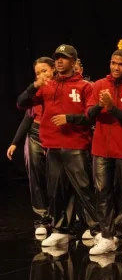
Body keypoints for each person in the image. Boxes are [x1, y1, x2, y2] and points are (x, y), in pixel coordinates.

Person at [17, 44, 99, 246]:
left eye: (64, 58)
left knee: (84, 190)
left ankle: (98, 230)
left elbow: (90, 116)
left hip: (76, 146)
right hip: (53, 146)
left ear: (73, 61)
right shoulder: (47, 86)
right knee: (56, 191)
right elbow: (21, 103)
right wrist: (34, 86)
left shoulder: (85, 87)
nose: (60, 61)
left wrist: (68, 118)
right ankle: (61, 229)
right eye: (57, 58)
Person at [86, 50, 122, 255]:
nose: (115, 67)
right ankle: (107, 236)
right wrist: (99, 106)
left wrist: (112, 108)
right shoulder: (99, 85)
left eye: (120, 64)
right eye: (113, 63)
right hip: (101, 149)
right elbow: (88, 114)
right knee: (102, 193)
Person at [7, 57, 56, 237]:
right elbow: (27, 113)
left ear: (53, 70)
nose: (42, 75)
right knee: (36, 176)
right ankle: (42, 217)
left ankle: (59, 218)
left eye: (45, 71)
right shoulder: (35, 91)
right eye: (38, 73)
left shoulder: (61, 87)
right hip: (35, 135)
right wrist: (15, 142)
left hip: (56, 135)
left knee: (56, 177)